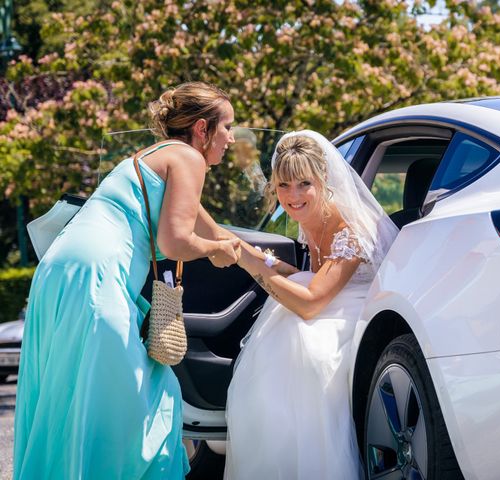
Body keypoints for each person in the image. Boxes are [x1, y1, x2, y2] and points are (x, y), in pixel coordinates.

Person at [14, 81, 240, 479]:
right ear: (202, 129)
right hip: (96, 276)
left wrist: (264, 262)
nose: (231, 138)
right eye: (227, 127)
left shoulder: (153, 156)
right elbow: (177, 240)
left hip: (60, 269)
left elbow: (215, 229)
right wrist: (212, 252)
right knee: (133, 398)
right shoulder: (188, 157)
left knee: (71, 393)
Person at [222, 130, 399, 479]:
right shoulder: (311, 219)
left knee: (303, 342)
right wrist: (259, 256)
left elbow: (311, 304)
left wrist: (251, 265)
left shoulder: (351, 229)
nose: (294, 196)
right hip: (332, 302)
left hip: (364, 315)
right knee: (287, 321)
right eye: (284, 185)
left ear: (324, 180)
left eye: (305, 183)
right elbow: (312, 277)